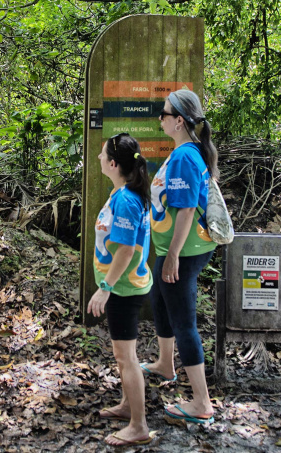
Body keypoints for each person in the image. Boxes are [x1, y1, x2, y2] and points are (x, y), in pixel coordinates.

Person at [143, 89, 219, 425]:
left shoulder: (185, 157)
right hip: (172, 249)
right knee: (159, 300)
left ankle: (201, 402)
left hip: (184, 252)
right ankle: (164, 363)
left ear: (178, 121)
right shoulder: (184, 153)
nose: (159, 118)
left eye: (164, 113)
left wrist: (172, 255)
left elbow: (186, 208)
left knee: (184, 322)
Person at [87, 133, 154, 447]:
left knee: (126, 357)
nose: (100, 158)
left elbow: (126, 250)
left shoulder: (126, 199)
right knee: (123, 354)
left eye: (102, 155)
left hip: (124, 288)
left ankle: (139, 425)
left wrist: (104, 288)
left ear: (114, 164)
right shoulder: (122, 193)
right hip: (123, 285)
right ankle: (128, 406)